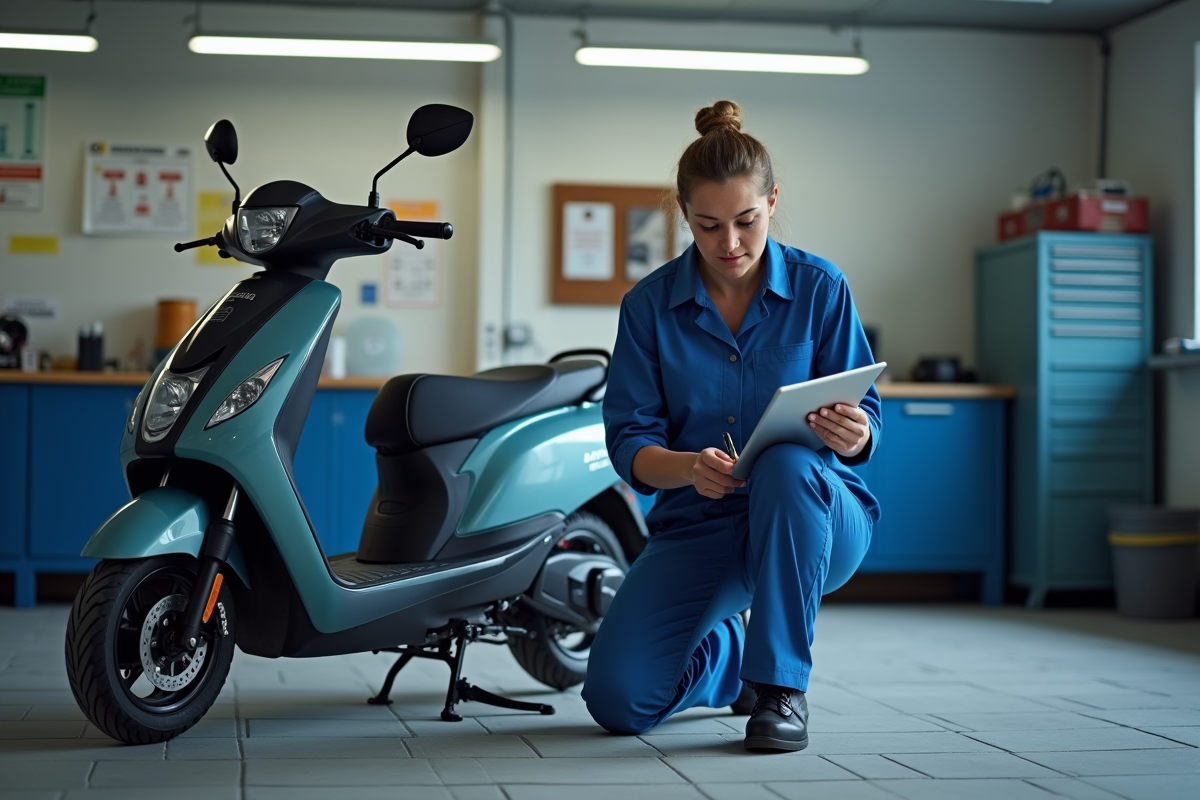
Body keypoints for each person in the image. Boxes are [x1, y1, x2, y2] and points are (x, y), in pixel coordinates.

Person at [582, 100, 881, 752]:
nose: (730, 244)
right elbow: (628, 441)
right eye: (708, 225)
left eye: (747, 221)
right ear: (683, 214)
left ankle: (779, 691)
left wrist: (857, 435)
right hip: (701, 526)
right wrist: (688, 467)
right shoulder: (649, 307)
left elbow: (867, 416)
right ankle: (732, 658)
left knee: (787, 461)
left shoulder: (822, 288)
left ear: (774, 200)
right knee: (618, 700)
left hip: (816, 517)